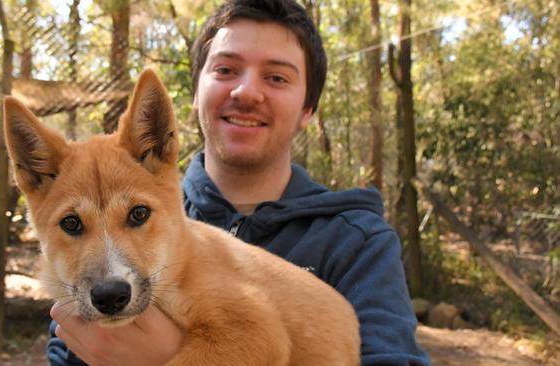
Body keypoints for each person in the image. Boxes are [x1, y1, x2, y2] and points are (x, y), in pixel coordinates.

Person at [48, 0, 431, 365]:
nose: (246, 92)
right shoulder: (99, 222)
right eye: (226, 70)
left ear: (308, 109)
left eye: (277, 77)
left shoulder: (357, 242)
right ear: (195, 91)